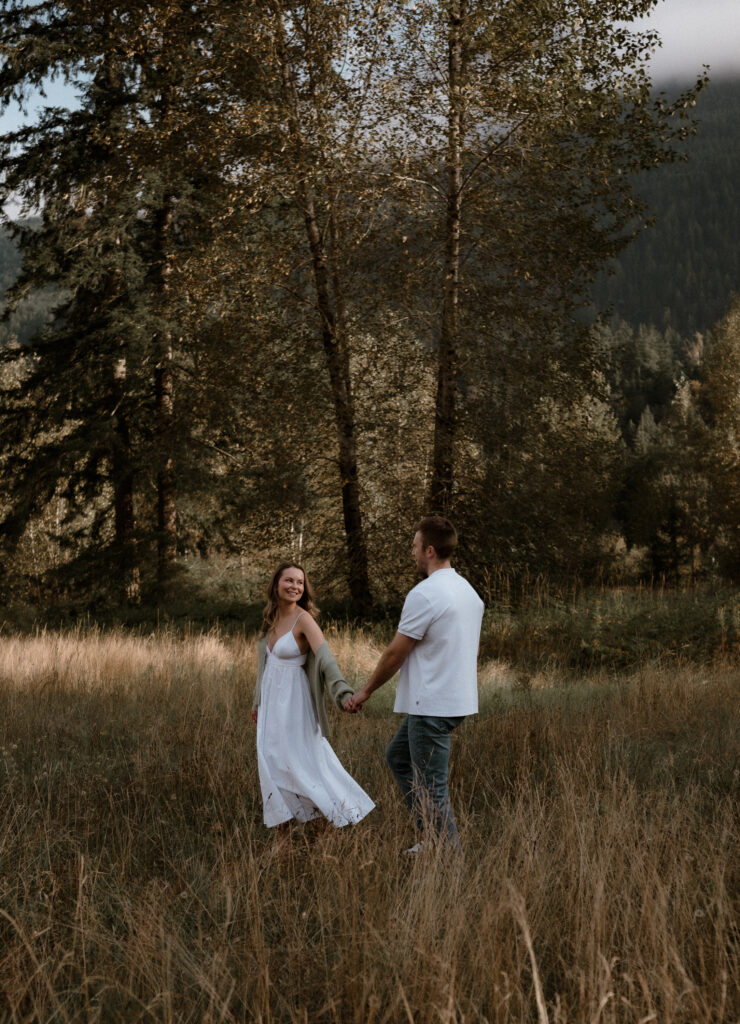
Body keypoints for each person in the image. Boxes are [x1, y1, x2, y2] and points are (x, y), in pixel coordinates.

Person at [348, 517, 483, 853]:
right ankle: (431, 836)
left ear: (430, 550)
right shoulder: (468, 591)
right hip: (455, 700)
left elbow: (396, 653)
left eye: (415, 546)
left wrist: (365, 691)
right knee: (398, 757)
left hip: (432, 704)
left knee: (432, 785)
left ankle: (447, 858)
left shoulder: (425, 594)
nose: (412, 552)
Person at [252, 561, 374, 829]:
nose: (295, 586)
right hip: (270, 706)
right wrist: (256, 702)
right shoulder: (271, 618)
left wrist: (343, 694)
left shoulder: (303, 619)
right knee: (272, 765)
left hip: (294, 705)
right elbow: (266, 666)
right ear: (276, 584)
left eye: (300, 582)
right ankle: (282, 834)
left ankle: (334, 818)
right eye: (289, 580)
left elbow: (326, 660)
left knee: (304, 764)